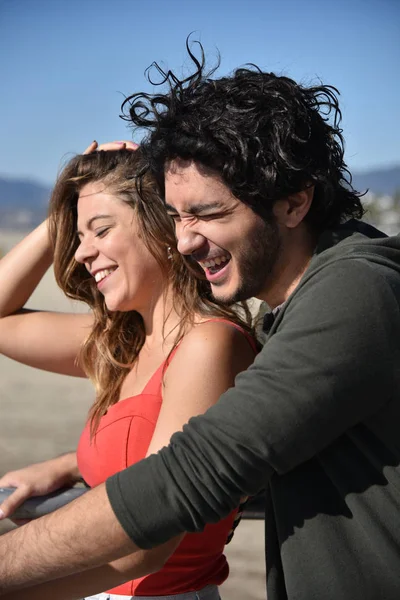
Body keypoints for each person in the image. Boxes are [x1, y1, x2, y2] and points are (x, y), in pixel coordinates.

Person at [1, 41, 400, 600]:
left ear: (293, 203)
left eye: (209, 213)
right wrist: (74, 463)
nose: (185, 240)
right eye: (175, 216)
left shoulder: (355, 291)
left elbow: (189, 475)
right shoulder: (292, 312)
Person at [0, 147, 257, 599]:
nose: (81, 252)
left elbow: (150, 537)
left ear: (161, 227)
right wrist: (65, 211)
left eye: (101, 229)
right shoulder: (125, 344)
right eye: (78, 237)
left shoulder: (208, 344)